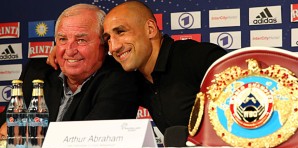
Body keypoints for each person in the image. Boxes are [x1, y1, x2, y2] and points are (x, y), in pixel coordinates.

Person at [47, 1, 227, 135]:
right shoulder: (134, 79)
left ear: (150, 29)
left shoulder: (198, 57)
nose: (114, 47)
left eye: (121, 32)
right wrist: (65, 50)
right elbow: (97, 65)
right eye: (108, 38)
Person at [0, 4, 140, 136]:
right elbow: (4, 129)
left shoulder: (121, 78)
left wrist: (29, 135)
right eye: (62, 39)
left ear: (104, 44)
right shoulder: (36, 72)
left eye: (81, 40)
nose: (70, 50)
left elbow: (89, 138)